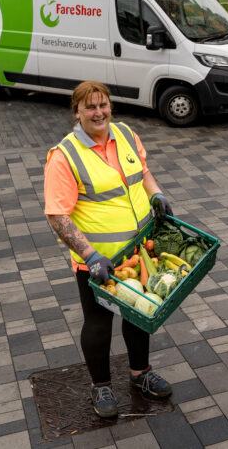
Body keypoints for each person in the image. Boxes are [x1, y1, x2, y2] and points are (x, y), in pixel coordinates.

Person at [44, 80, 174, 419]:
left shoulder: (126, 135)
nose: (98, 112)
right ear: (77, 112)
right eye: (90, 107)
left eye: (103, 105)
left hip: (138, 250)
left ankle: (139, 374)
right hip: (99, 260)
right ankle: (100, 386)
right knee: (99, 323)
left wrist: (157, 193)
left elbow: (142, 171)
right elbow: (57, 214)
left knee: (140, 313)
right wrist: (90, 255)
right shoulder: (65, 156)